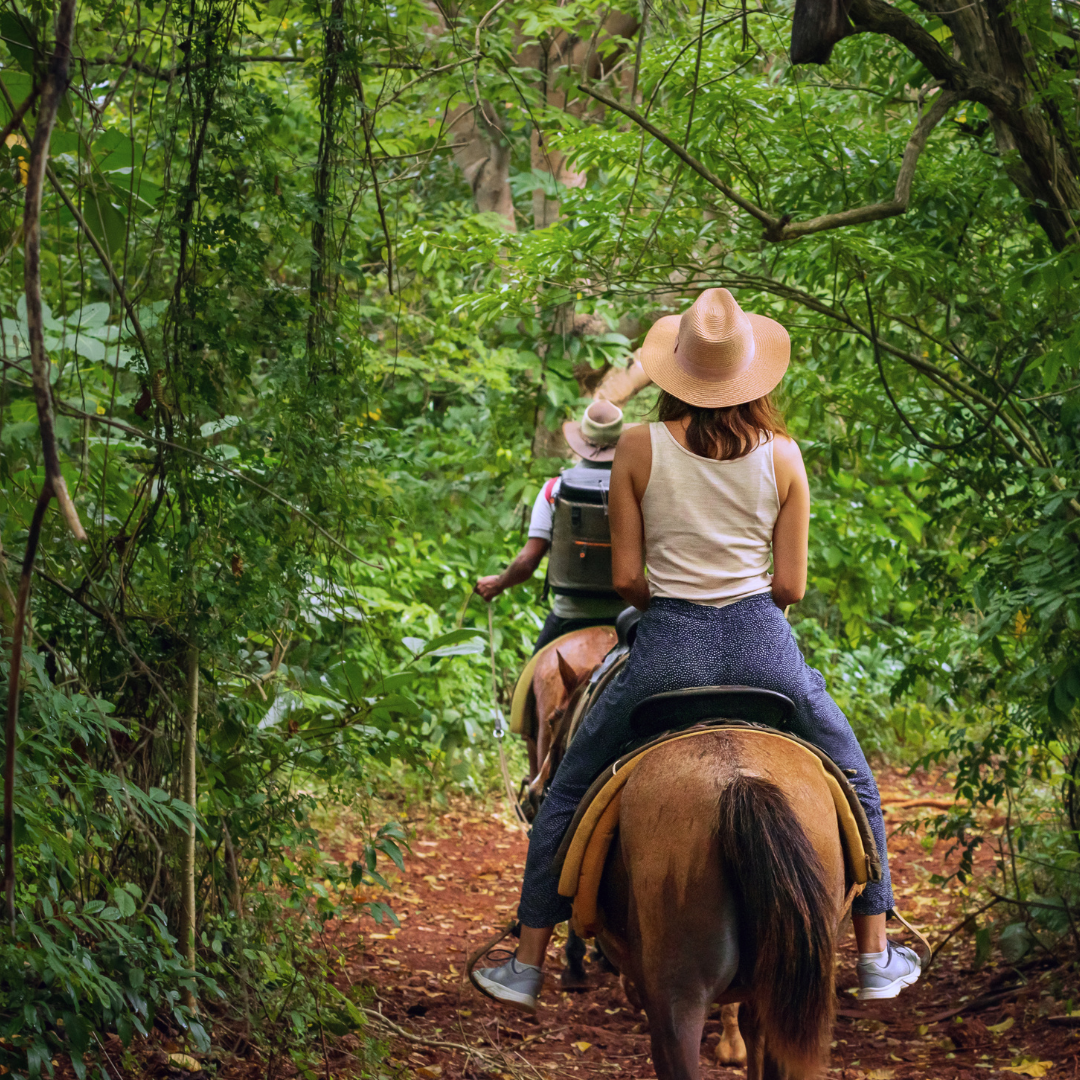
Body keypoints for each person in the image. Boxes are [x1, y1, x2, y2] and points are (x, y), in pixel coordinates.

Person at [472, 288, 921, 1012]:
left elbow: (624, 578)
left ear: (677, 372)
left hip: (666, 651)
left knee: (565, 787)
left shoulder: (640, 448)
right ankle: (873, 954)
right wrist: (741, 614)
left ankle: (526, 962)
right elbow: (792, 586)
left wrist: (674, 608)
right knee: (855, 777)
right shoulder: (785, 455)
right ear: (751, 374)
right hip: (762, 647)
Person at [474, 399, 629, 653]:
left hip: (569, 617)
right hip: (623, 618)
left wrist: (498, 583)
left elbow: (528, 561)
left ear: (582, 442)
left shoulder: (554, 490)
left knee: (527, 687)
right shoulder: (640, 489)